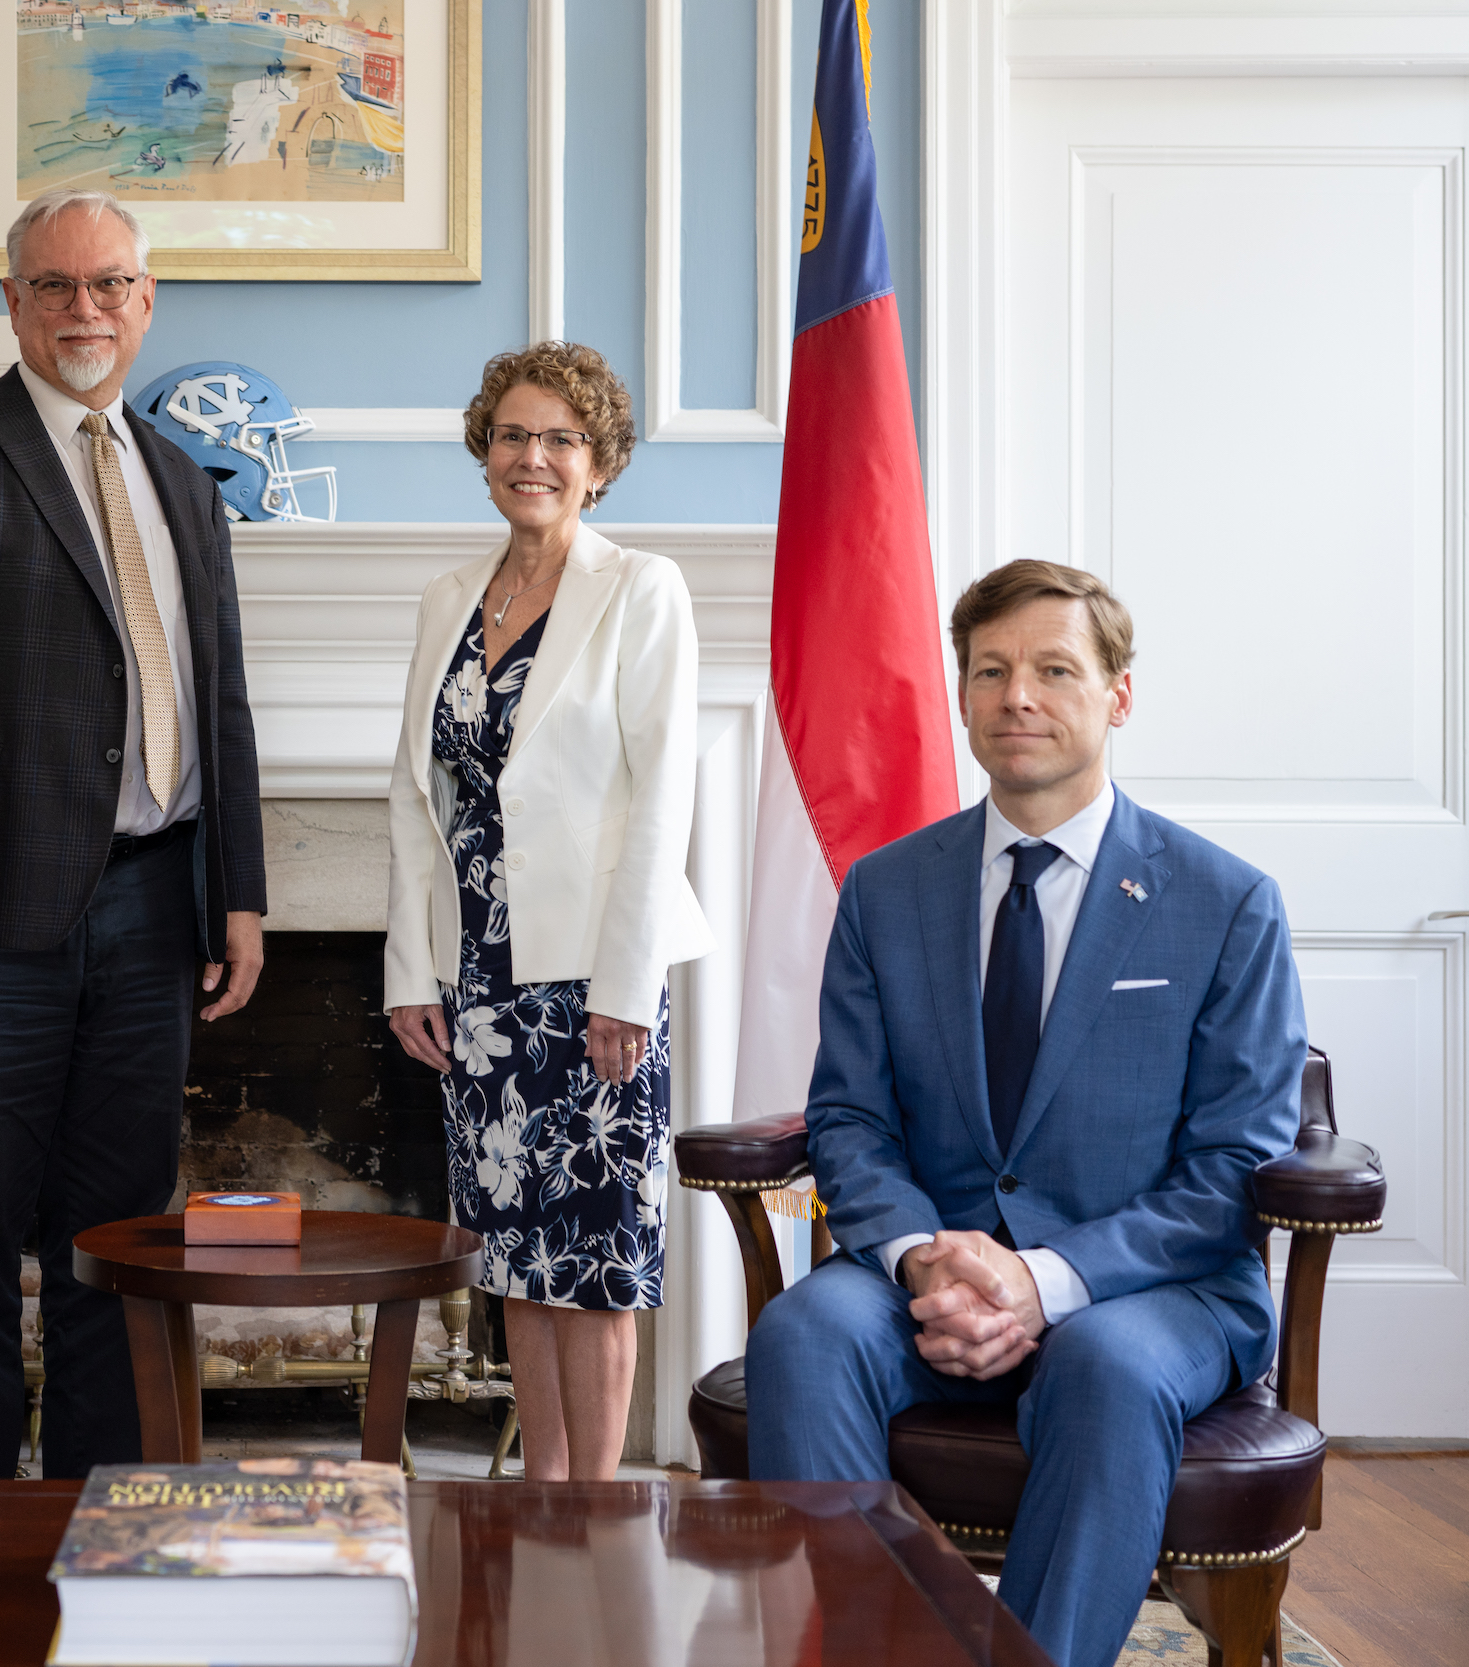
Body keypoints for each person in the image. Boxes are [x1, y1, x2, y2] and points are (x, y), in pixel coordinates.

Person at [745, 562, 1306, 1667]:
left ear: (1117, 696)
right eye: (991, 671)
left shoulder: (1226, 900)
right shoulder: (886, 888)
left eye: (1055, 669)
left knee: (1102, 1361)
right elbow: (849, 1117)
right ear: (959, 696)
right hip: (933, 1265)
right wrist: (919, 1261)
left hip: (1153, 1287)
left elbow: (1235, 1162)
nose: (1018, 697)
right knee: (804, 1331)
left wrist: (1040, 1279)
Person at [0, 188, 267, 1479]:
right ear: (13, 303)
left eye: (109, 286)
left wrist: (236, 893)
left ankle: (97, 1527)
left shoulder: (183, 479)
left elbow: (221, 695)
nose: (86, 310)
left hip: (152, 914)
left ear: (147, 301)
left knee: (114, 1247)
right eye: (56, 286)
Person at [383, 342, 715, 1480]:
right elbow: (413, 798)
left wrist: (628, 990)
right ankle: (541, 1492)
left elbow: (662, 795)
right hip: (478, 985)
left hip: (591, 982)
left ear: (600, 462)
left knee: (597, 1255)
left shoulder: (640, 588)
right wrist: (411, 970)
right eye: (514, 434)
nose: (534, 456)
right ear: (485, 451)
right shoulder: (445, 600)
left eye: (561, 438)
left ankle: (597, 1507)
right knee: (514, 1253)